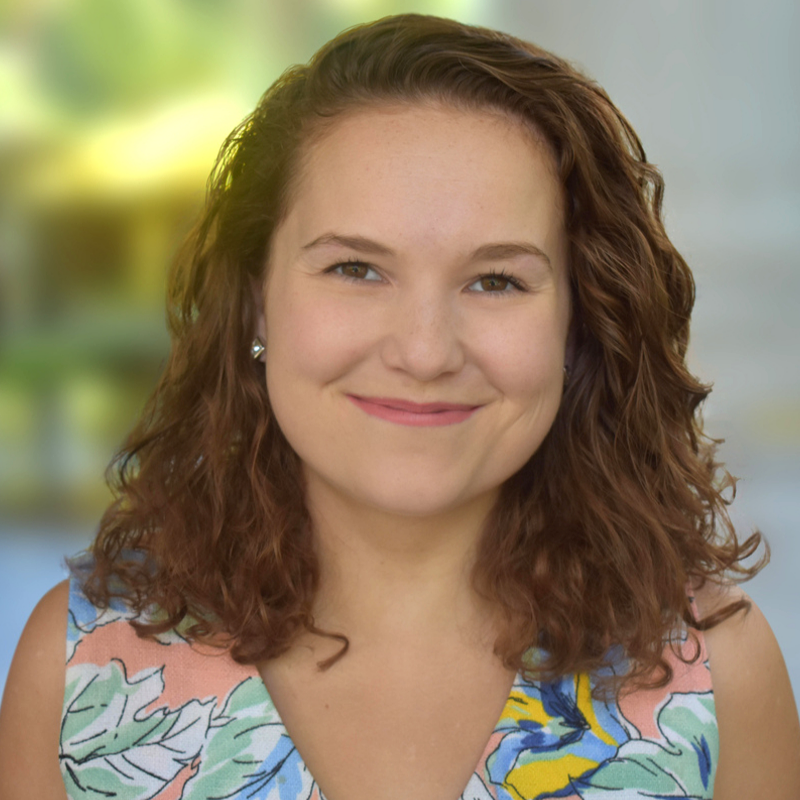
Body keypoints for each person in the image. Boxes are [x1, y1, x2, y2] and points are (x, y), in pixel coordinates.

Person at [0, 12, 798, 800]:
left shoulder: (716, 678)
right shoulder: (77, 670)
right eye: (355, 268)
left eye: (496, 281)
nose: (423, 351)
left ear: (579, 323)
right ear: (255, 304)